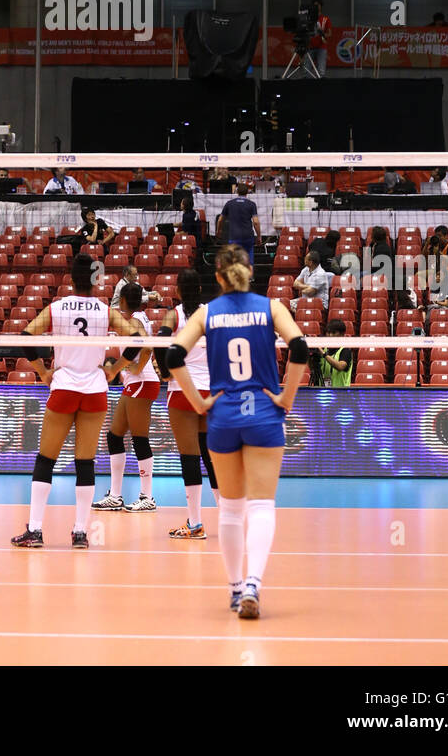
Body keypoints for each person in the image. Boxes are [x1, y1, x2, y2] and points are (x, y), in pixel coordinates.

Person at [166, 244, 308, 619]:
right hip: (263, 413)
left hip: (224, 415)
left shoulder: (206, 312)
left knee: (230, 509)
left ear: (218, 277)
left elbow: (172, 356)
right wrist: (286, 397)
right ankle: (253, 585)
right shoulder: (271, 307)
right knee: (261, 505)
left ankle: (233, 590)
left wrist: (198, 402)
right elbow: (300, 346)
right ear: (250, 271)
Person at [10, 253, 138, 549]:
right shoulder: (105, 310)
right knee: (86, 461)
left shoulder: (57, 307)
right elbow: (135, 339)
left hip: (64, 386)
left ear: (70, 278)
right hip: (94, 389)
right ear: (95, 279)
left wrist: (43, 371)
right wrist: (114, 370)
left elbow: (27, 336)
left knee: (46, 459)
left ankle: (36, 530)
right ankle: (81, 532)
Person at [158, 268, 217, 540]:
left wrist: (166, 371)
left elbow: (159, 341)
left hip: (183, 389)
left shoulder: (175, 314)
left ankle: (195, 524)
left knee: (190, 457)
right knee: (211, 455)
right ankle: (229, 519)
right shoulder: (210, 313)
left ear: (179, 290)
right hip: (211, 389)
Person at [93, 282, 161, 513]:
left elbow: (148, 347)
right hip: (135, 383)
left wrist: (136, 368)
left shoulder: (133, 321)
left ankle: (147, 497)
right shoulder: (138, 316)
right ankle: (115, 495)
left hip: (142, 382)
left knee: (139, 438)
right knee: (114, 436)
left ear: (122, 300)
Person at [216, 183, 260, 266]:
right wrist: (259, 236)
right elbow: (256, 222)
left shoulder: (229, 203)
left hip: (234, 236)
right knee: (248, 258)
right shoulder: (251, 204)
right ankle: (249, 277)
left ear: (237, 192)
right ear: (247, 192)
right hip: (248, 236)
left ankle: (235, 276)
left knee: (234, 260)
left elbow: (220, 220)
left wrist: (218, 231)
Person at [313, 319, 353, 386]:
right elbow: (313, 368)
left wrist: (324, 354)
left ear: (342, 334)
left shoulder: (345, 350)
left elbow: (340, 366)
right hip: (323, 393)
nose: (330, 335)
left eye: (334, 333)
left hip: (341, 394)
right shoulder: (324, 349)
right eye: (328, 333)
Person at [309, 0, 331, 77]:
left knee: (321, 72)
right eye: (314, 5)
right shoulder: (308, 19)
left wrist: (323, 34)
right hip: (309, 47)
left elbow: (329, 34)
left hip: (321, 47)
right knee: (306, 71)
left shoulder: (325, 19)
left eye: (317, 5)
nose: (316, 7)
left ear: (321, 6)